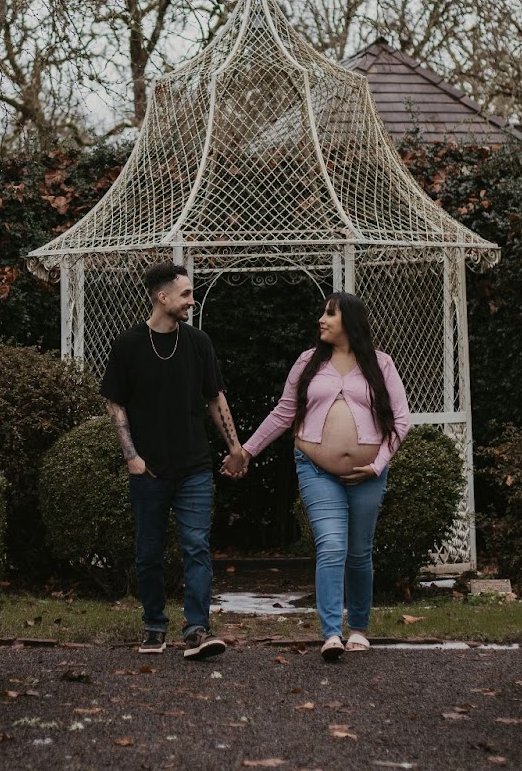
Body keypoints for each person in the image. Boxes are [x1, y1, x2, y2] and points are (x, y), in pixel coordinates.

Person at [223, 291, 410, 661]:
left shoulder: (380, 364)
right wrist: (246, 451)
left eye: (330, 314)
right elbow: (283, 413)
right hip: (315, 468)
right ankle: (330, 634)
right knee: (332, 546)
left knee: (359, 553)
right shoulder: (308, 362)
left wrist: (377, 464)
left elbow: (401, 421)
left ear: (350, 322)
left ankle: (358, 627)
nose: (321, 320)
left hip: (368, 474)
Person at [101, 260, 247, 660]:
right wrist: (131, 456)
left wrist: (234, 447)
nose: (191, 301)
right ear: (161, 297)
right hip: (148, 469)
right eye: (185, 294)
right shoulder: (128, 345)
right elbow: (116, 404)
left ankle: (197, 629)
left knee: (196, 546)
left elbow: (215, 396)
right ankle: (154, 625)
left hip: (194, 467)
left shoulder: (198, 342)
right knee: (148, 551)